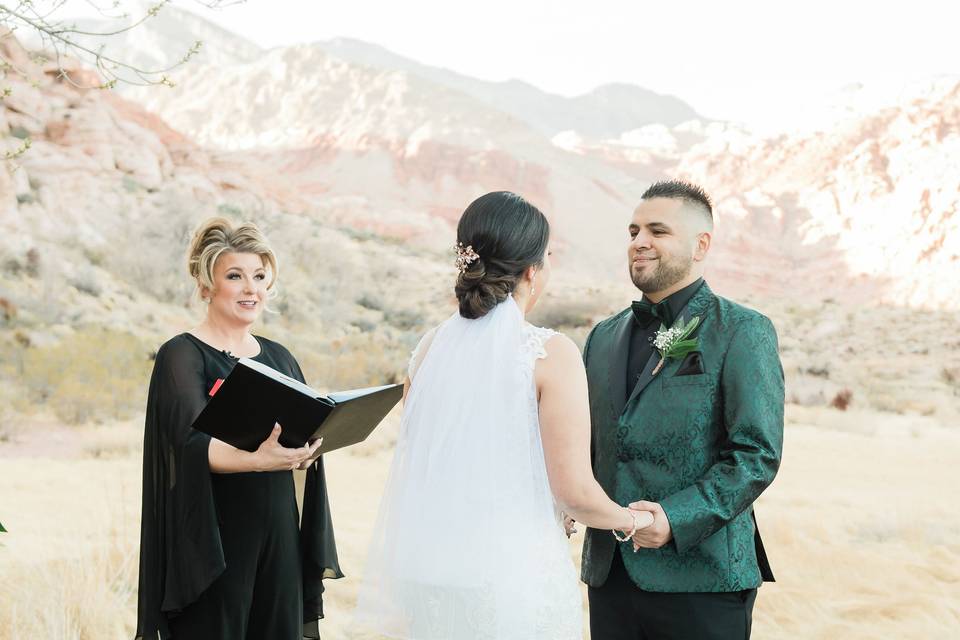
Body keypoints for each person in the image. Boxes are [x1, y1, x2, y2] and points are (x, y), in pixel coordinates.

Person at [354, 191, 654, 639]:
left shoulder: (428, 350)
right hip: (510, 578)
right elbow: (573, 491)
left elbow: (429, 466)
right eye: (547, 257)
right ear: (532, 270)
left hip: (431, 572)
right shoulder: (550, 354)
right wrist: (637, 522)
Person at [581, 180, 784, 639]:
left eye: (657, 230)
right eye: (633, 231)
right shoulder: (601, 337)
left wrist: (674, 518)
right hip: (610, 575)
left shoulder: (742, 331)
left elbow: (756, 454)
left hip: (703, 579)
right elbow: (589, 442)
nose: (639, 242)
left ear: (701, 245)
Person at [135, 218, 342, 640]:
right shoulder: (182, 355)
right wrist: (258, 459)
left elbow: (300, 431)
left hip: (280, 536)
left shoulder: (281, 357)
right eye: (235, 276)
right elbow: (188, 446)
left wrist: (310, 448)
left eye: (259, 276)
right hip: (215, 539)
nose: (251, 288)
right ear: (206, 284)